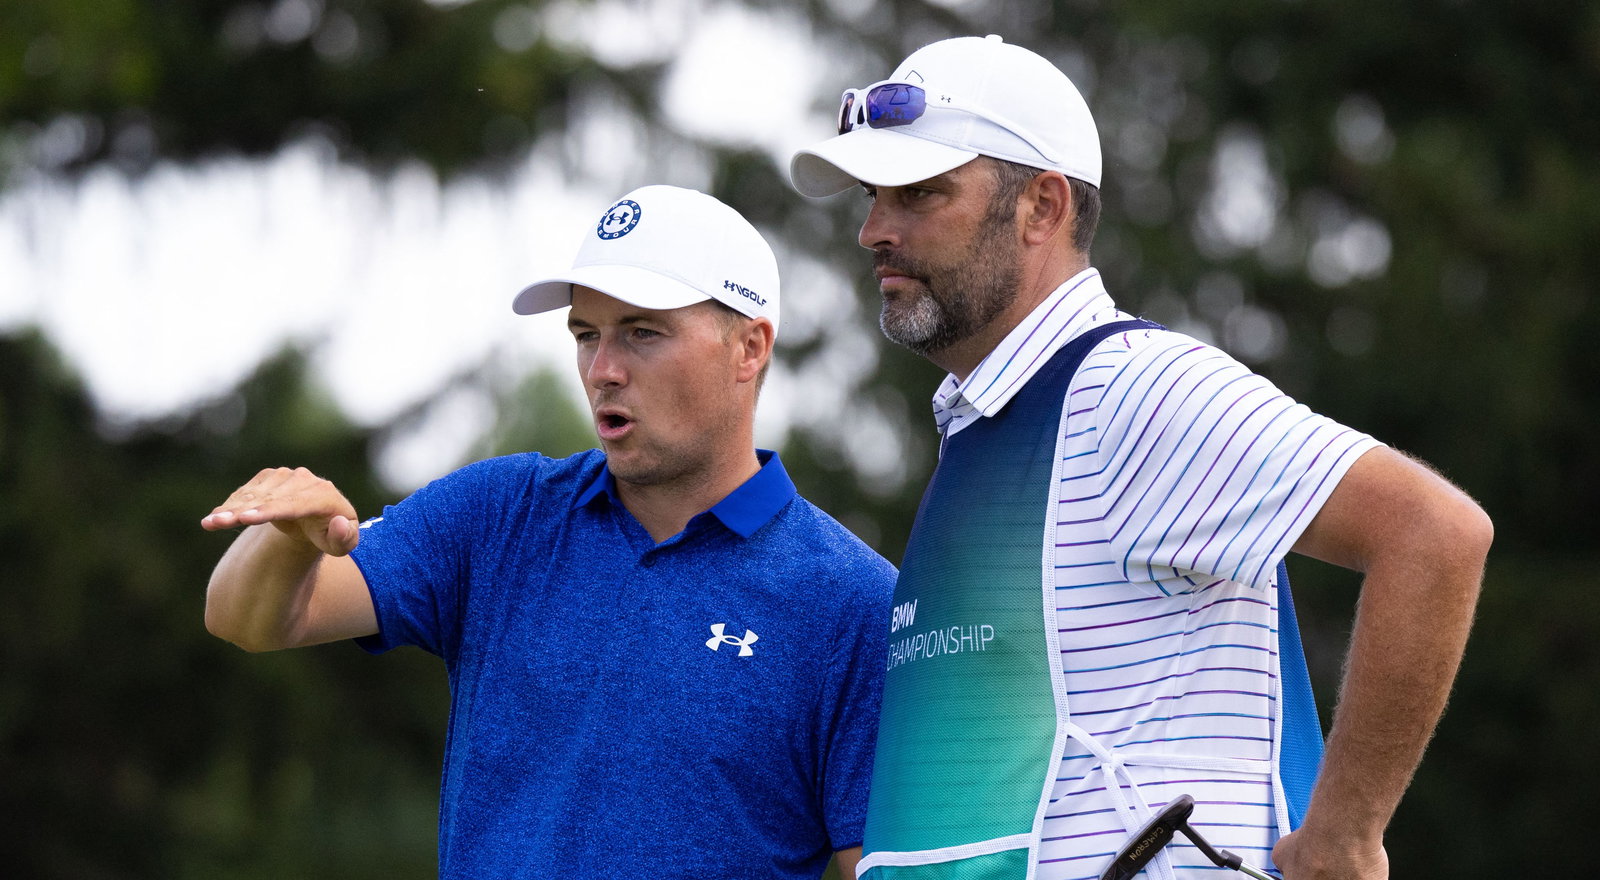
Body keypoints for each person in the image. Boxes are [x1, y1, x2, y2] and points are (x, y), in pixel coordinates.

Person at [790, 35, 1491, 880]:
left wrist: (1343, 838)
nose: (873, 231)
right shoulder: (989, 421)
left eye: (919, 194)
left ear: (1041, 208)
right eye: (873, 197)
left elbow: (1434, 533)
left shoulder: (1124, 389)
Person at [200, 184, 896, 880]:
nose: (603, 371)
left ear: (749, 348)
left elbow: (886, 866)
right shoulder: (498, 514)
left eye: (642, 332)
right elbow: (249, 619)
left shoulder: (855, 603)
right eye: (586, 335)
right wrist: (287, 534)